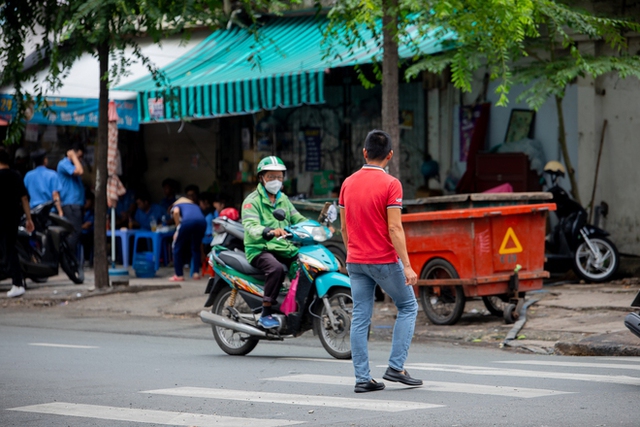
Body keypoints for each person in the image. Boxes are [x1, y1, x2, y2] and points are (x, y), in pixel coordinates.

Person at [339, 129, 421, 393]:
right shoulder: (391, 184)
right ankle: (396, 367)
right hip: (383, 260)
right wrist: (407, 265)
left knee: (361, 316)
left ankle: (362, 378)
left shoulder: (347, 183)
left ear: (364, 152)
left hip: (355, 260)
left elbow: (343, 229)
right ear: (390, 155)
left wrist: (352, 252)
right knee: (408, 306)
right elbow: (395, 229)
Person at [242, 156, 307, 329]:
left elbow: (297, 218)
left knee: (306, 264)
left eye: (279, 177)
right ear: (261, 178)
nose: (276, 181)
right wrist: (267, 231)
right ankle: (265, 312)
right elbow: (251, 226)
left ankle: (294, 304)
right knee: (276, 269)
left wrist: (314, 227)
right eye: (271, 177)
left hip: (282, 247)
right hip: (259, 248)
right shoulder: (251, 201)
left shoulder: (283, 199)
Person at [0, 147, 34, 297]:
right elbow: (24, 198)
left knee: (8, 251)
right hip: (13, 218)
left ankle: (18, 283)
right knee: (10, 248)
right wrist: (29, 218)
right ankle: (17, 281)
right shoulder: (16, 176)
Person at [57, 144, 85, 257]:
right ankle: (65, 255)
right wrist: (73, 156)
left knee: (76, 232)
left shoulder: (72, 165)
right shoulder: (64, 164)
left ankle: (69, 258)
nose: (80, 160)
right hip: (71, 204)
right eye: (80, 156)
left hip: (76, 204)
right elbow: (80, 171)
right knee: (76, 231)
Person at [170, 196, 206, 281]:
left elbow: (175, 213)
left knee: (177, 248)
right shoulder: (194, 206)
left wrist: (178, 227)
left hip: (188, 222)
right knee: (196, 247)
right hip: (202, 222)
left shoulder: (177, 205)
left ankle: (179, 275)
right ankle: (196, 273)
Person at [23, 149, 64, 216]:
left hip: (34, 211)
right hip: (49, 212)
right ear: (45, 160)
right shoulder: (52, 174)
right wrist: (60, 211)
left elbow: (25, 195)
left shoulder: (28, 176)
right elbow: (55, 194)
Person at [81, 192, 95, 266]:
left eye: (87, 201)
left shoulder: (92, 212)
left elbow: (87, 225)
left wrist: (79, 226)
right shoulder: (80, 211)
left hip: (89, 233)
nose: (85, 203)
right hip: (81, 233)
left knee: (87, 238)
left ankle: (87, 260)